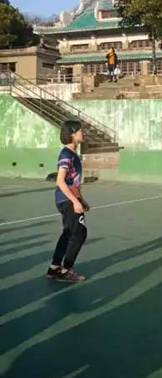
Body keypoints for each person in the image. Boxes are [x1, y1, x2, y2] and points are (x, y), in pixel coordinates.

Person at [46, 121, 90, 282]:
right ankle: (66, 270)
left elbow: (74, 182)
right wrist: (75, 202)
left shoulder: (73, 154)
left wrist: (81, 199)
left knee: (68, 233)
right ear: (72, 134)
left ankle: (54, 268)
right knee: (79, 233)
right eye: (80, 130)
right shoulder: (66, 154)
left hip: (69, 198)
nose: (83, 133)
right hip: (66, 199)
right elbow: (60, 181)